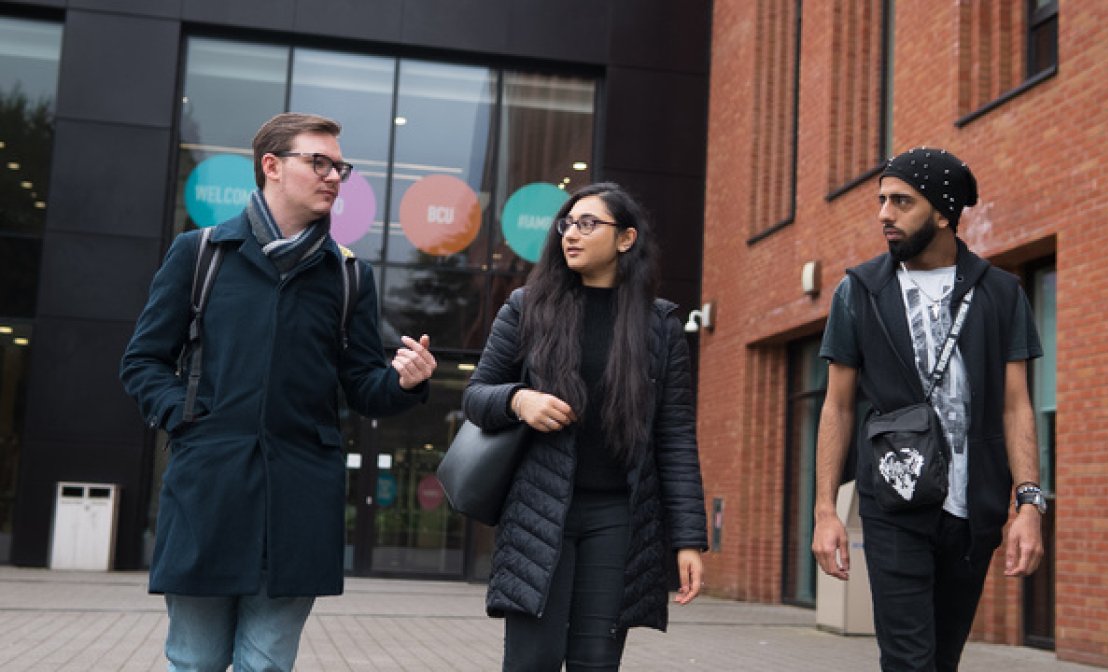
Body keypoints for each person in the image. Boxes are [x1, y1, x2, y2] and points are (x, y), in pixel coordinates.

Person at [120, 112, 437, 671]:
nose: (334, 177)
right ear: (271, 165)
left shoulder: (348, 277)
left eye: (339, 167)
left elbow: (364, 387)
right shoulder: (201, 254)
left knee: (266, 665)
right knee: (194, 660)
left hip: (299, 499)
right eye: (319, 163)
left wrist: (405, 382)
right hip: (208, 490)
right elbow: (143, 361)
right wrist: (187, 416)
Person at [811, 147, 1046, 671]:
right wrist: (826, 511)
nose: (884, 214)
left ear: (943, 213)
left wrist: (1029, 505)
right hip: (894, 503)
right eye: (882, 200)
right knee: (909, 661)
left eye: (902, 202)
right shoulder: (859, 291)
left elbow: (1016, 407)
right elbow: (838, 407)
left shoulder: (1001, 293)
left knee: (942, 658)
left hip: (973, 511)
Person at [462, 182, 709, 670]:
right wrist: (519, 400)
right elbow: (476, 396)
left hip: (618, 516)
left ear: (626, 239)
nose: (571, 234)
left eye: (588, 224)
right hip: (539, 510)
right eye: (568, 224)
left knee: (596, 661)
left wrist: (688, 540)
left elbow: (675, 437)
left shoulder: (659, 326)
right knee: (534, 660)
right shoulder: (527, 307)